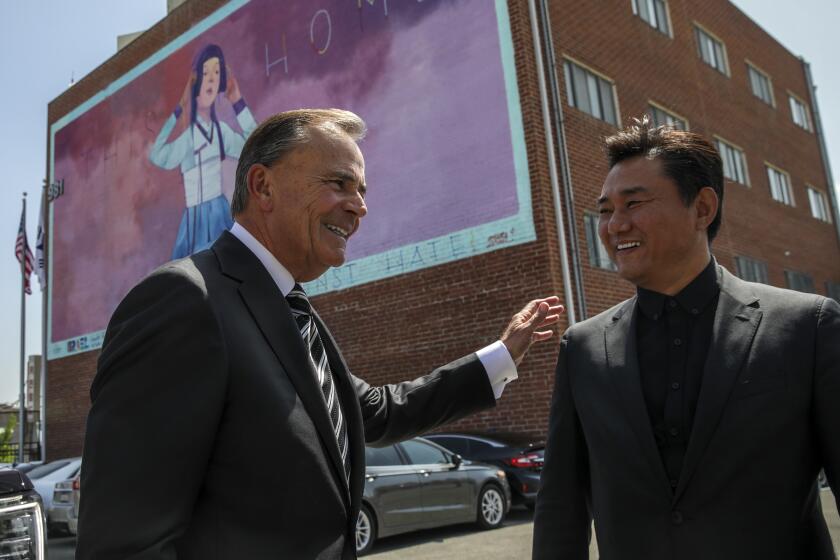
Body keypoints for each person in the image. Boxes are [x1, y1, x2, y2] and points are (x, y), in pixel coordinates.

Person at [79, 108, 563, 559]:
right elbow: (126, 543)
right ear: (263, 186)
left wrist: (503, 354)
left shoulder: (294, 312)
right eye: (339, 183)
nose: (359, 208)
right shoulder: (184, 300)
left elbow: (376, 412)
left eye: (363, 190)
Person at [532, 119, 839, 560]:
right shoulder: (581, 347)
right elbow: (561, 509)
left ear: (702, 209)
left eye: (633, 203)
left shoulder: (806, 326)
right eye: (604, 210)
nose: (615, 225)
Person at [149, 43, 257, 259]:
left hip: (219, 213)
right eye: (206, 72)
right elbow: (157, 155)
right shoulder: (188, 138)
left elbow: (255, 144)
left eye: (216, 73)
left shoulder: (220, 132)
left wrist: (237, 101)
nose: (211, 79)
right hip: (195, 220)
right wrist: (179, 108)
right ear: (195, 81)